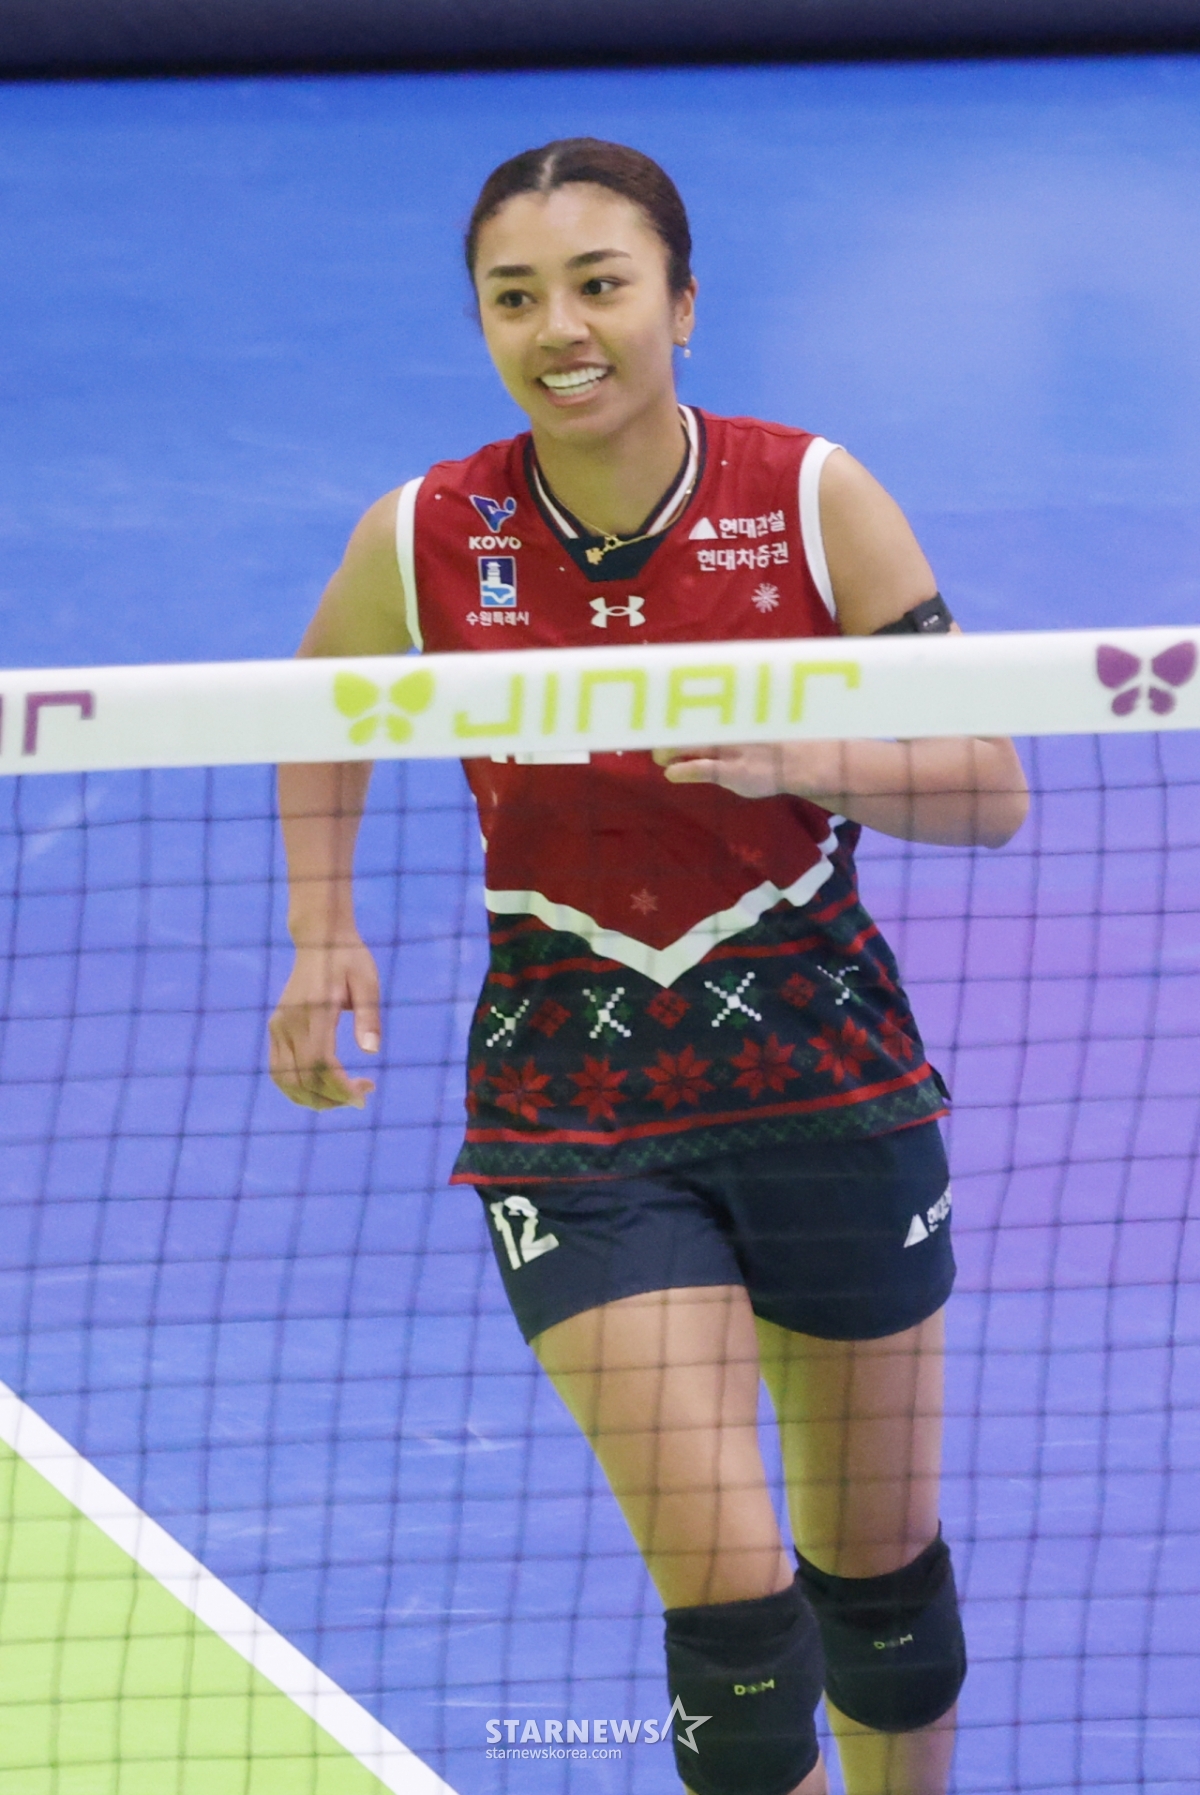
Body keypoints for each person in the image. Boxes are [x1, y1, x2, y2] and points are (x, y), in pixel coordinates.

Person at [269, 138, 1028, 1795]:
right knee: (737, 1626)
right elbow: (309, 715)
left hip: (827, 1072)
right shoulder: (429, 533)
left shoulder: (811, 498)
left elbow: (991, 786)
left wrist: (804, 756)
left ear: (682, 303)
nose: (561, 328)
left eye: (600, 285)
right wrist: (325, 925)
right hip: (575, 1105)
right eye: (515, 297)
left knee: (882, 1589)